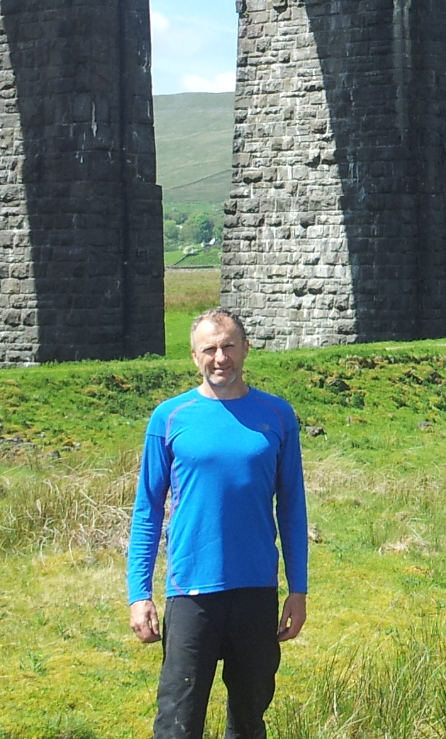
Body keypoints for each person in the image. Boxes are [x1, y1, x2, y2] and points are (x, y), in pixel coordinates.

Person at [128, 309, 308, 739]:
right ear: (194, 357)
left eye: (228, 346)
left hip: (256, 591)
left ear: (246, 348)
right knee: (177, 721)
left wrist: (297, 590)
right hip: (191, 593)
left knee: (248, 721)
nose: (220, 358)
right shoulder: (169, 417)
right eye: (209, 349)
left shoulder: (277, 415)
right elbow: (147, 511)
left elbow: (293, 508)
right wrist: (139, 593)